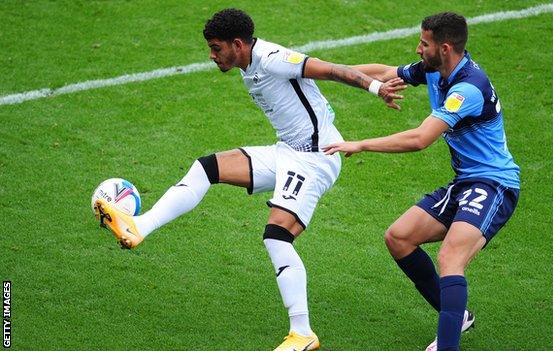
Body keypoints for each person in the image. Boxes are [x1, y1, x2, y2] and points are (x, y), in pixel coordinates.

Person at [94, 8, 405, 351]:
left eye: (216, 48)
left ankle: (302, 333)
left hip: (316, 158)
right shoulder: (249, 65)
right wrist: (393, 72)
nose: (212, 56)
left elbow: (330, 70)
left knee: (277, 236)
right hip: (286, 151)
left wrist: (377, 88)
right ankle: (139, 226)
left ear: (237, 44)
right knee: (207, 167)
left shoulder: (271, 58)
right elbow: (327, 75)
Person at [323, 12, 520, 351]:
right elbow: (384, 72)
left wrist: (361, 143)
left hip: (494, 186)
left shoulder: (468, 89)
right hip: (465, 183)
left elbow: (420, 139)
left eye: (423, 44)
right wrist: (325, 71)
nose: (417, 49)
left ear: (444, 48)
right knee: (399, 238)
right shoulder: (435, 70)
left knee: (450, 259)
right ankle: (455, 315)